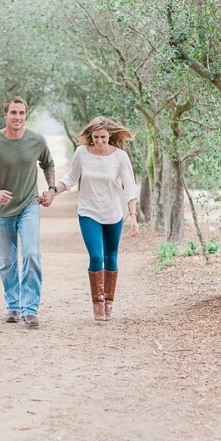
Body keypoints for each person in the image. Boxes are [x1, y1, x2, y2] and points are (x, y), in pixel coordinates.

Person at [41, 116, 139, 321]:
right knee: (96, 256)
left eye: (103, 137)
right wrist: (52, 192)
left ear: (109, 135)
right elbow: (69, 179)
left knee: (111, 257)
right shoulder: (82, 153)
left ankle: (109, 302)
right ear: (90, 136)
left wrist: (133, 217)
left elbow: (130, 189)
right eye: (95, 137)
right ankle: (98, 304)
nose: (99, 141)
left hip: (113, 212)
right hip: (89, 211)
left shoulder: (120, 156)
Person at [0, 96, 56, 329]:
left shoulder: (36, 140)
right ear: (5, 115)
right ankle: (13, 305)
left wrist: (50, 189)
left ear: (26, 115)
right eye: (13, 113)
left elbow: (48, 164)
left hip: (29, 205)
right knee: (7, 262)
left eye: (21, 113)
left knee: (31, 254)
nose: (17, 117)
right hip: (2, 211)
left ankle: (30, 310)